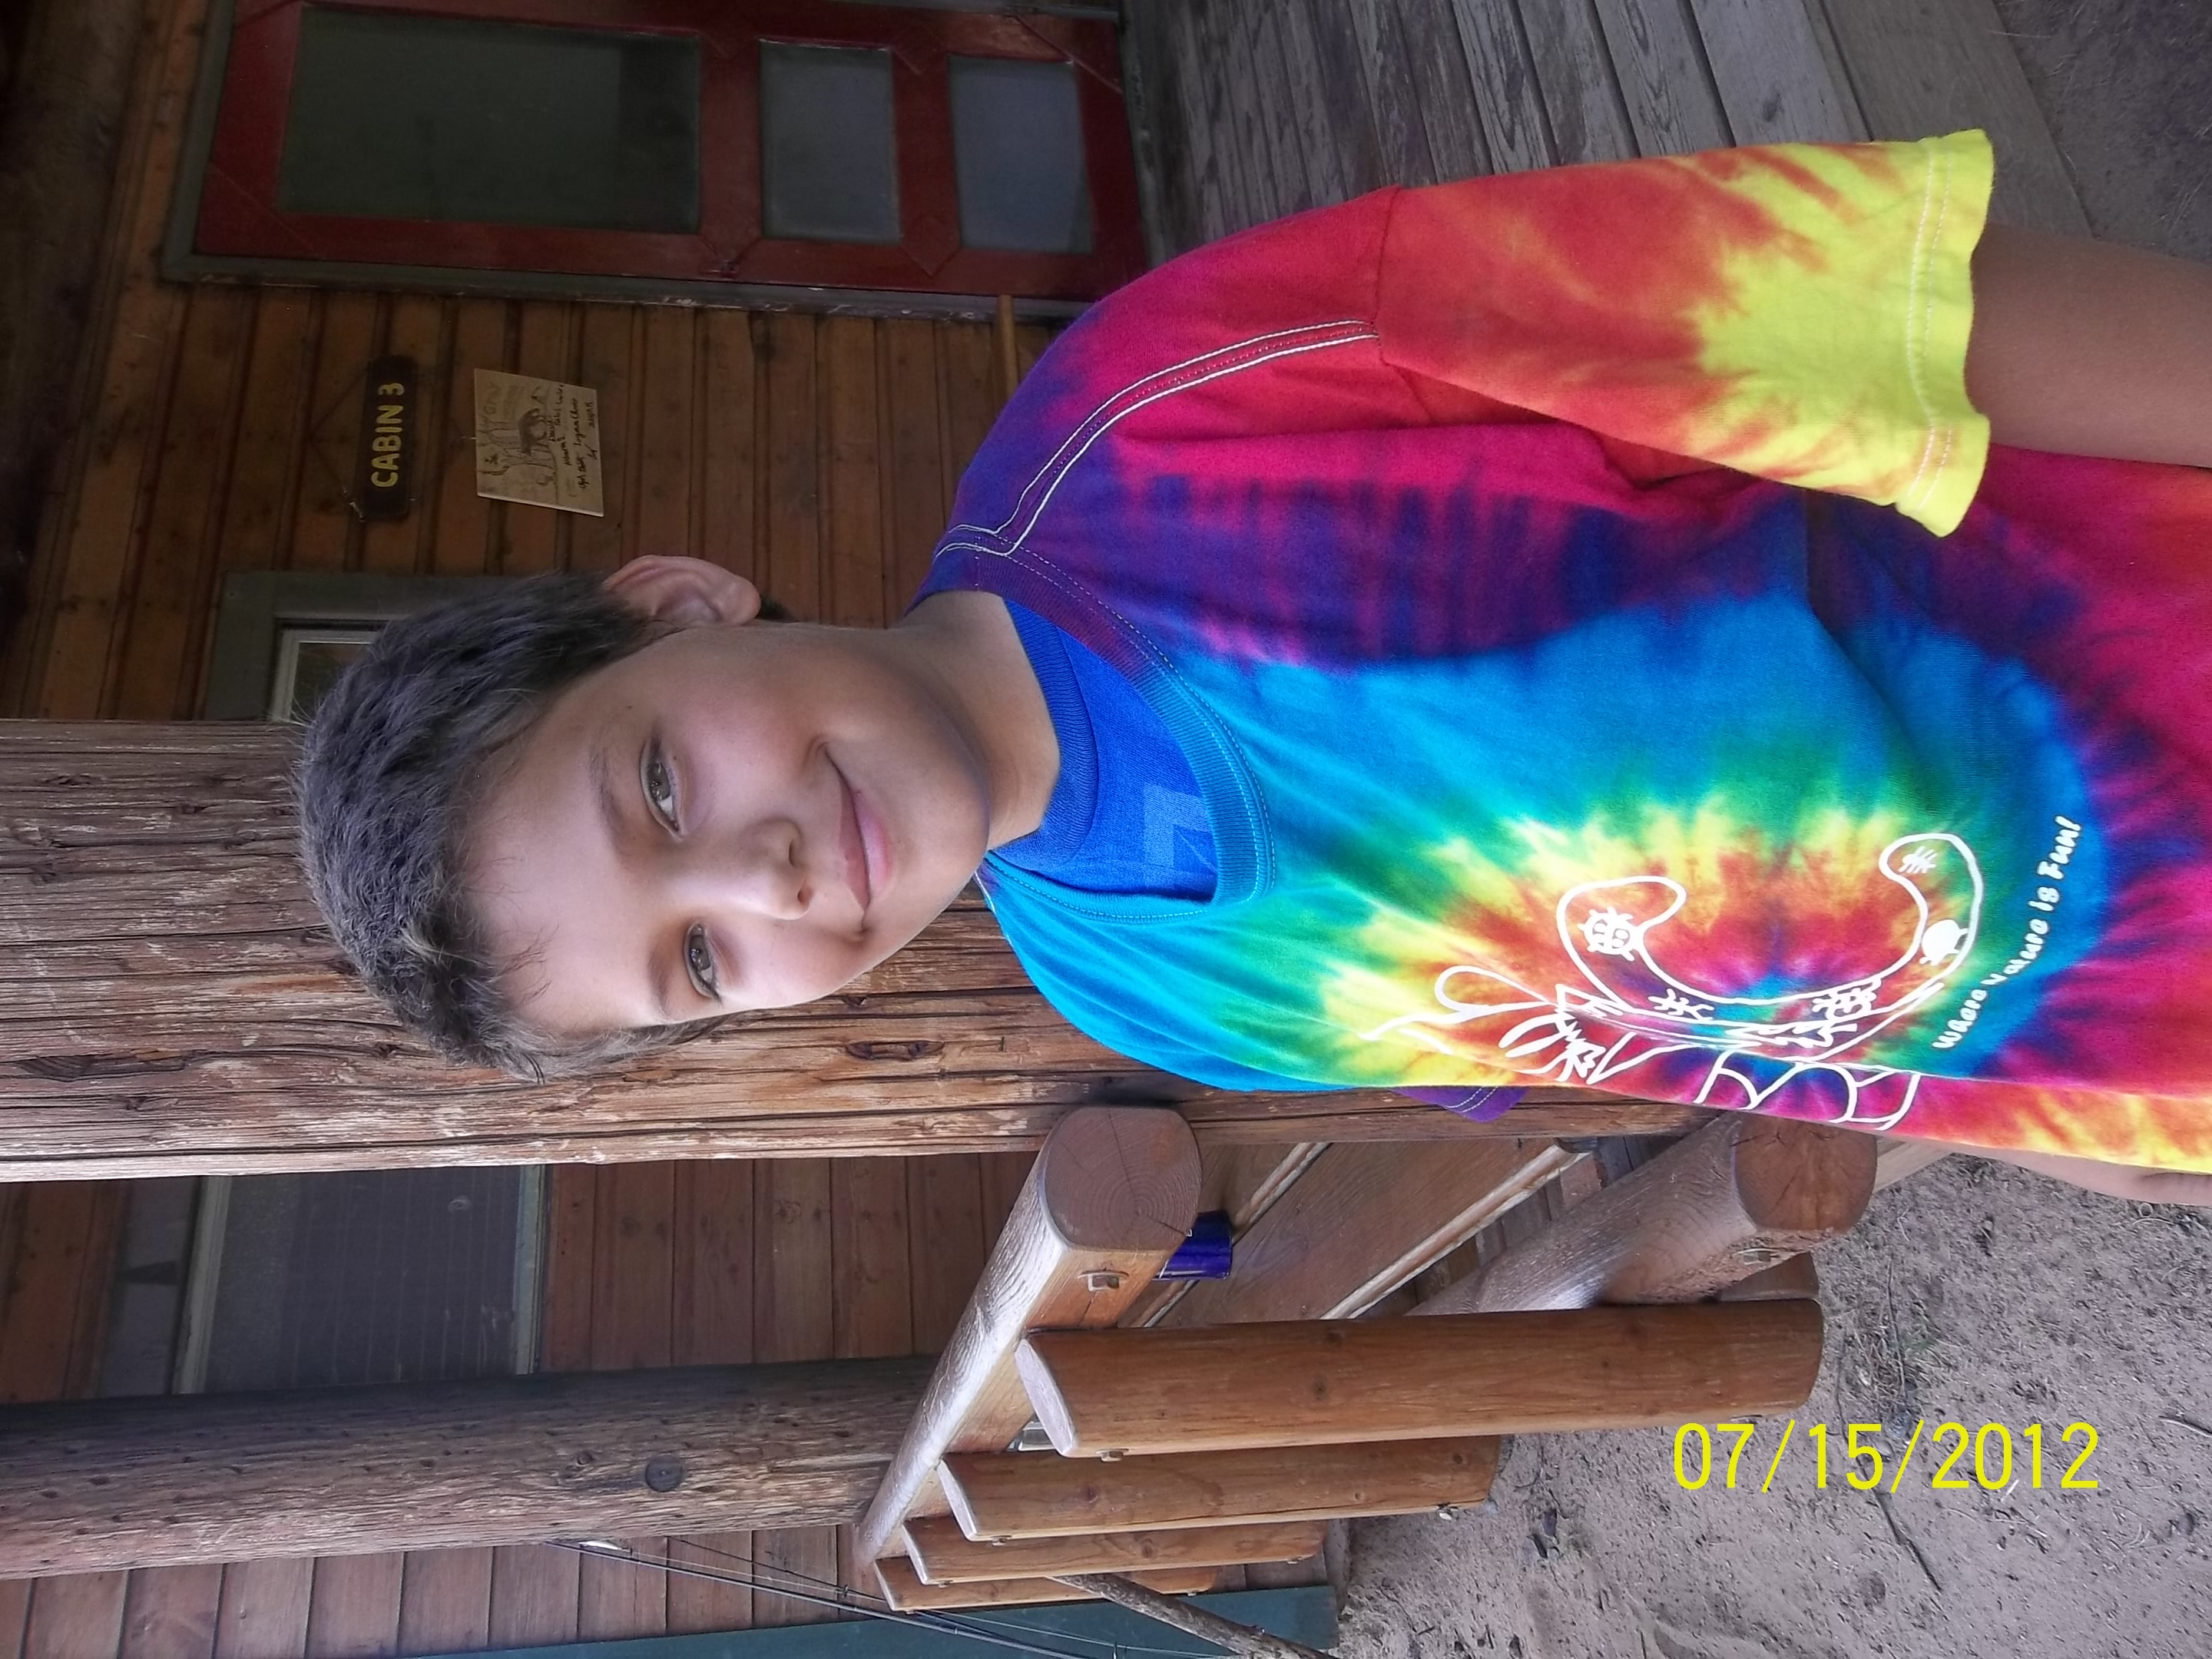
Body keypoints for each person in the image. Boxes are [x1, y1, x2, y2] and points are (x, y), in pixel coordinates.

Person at [300, 131, 2212, 1203]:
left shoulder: (1178, 407)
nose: (760, 876)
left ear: (679, 603)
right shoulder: (1137, 990)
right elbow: (1671, 1026)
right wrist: (2056, 1123)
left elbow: (1894, 327)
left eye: (659, 790)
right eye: (702, 962)